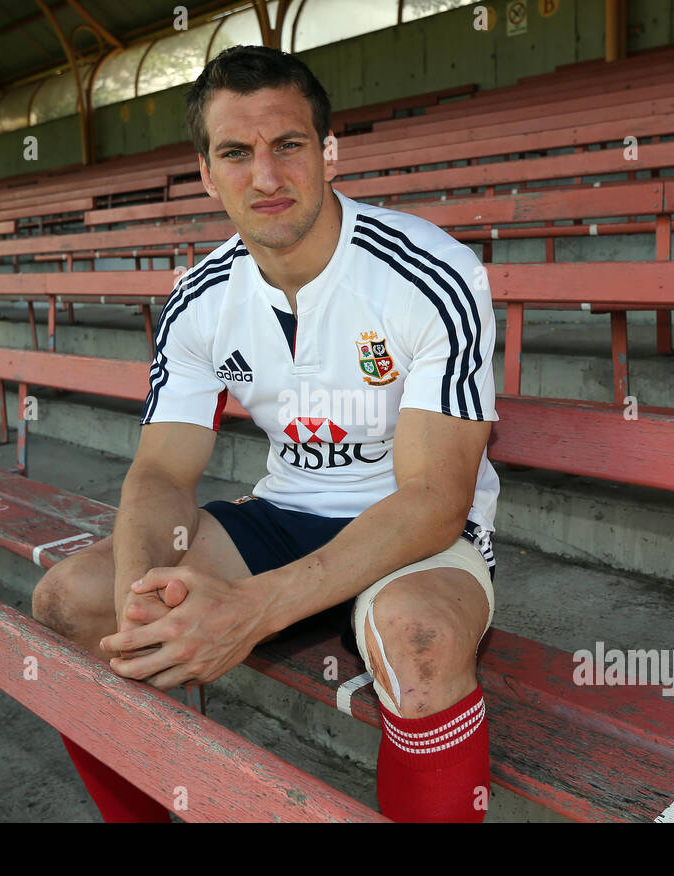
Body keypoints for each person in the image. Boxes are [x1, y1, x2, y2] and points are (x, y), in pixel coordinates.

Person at [32, 44, 499, 823]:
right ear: (208, 174)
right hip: (285, 513)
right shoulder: (199, 298)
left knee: (416, 639)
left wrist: (253, 610)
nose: (268, 177)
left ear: (327, 151)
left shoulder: (431, 272)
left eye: (289, 144)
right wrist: (142, 600)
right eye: (236, 153)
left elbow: (433, 500)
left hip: (407, 529)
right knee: (73, 602)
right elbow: (159, 475)